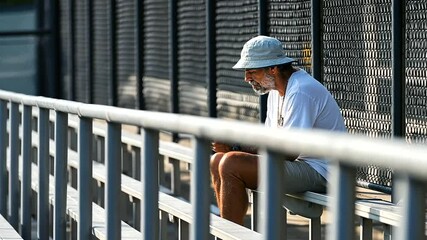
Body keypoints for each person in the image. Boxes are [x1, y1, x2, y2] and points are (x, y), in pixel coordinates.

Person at [210, 35, 347, 225]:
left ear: (273, 69)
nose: (246, 78)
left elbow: (288, 151)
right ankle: (230, 232)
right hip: (303, 166)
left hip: (324, 172)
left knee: (231, 163)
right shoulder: (277, 91)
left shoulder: (301, 90)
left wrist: (234, 146)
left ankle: (230, 236)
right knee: (218, 160)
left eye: (252, 71)